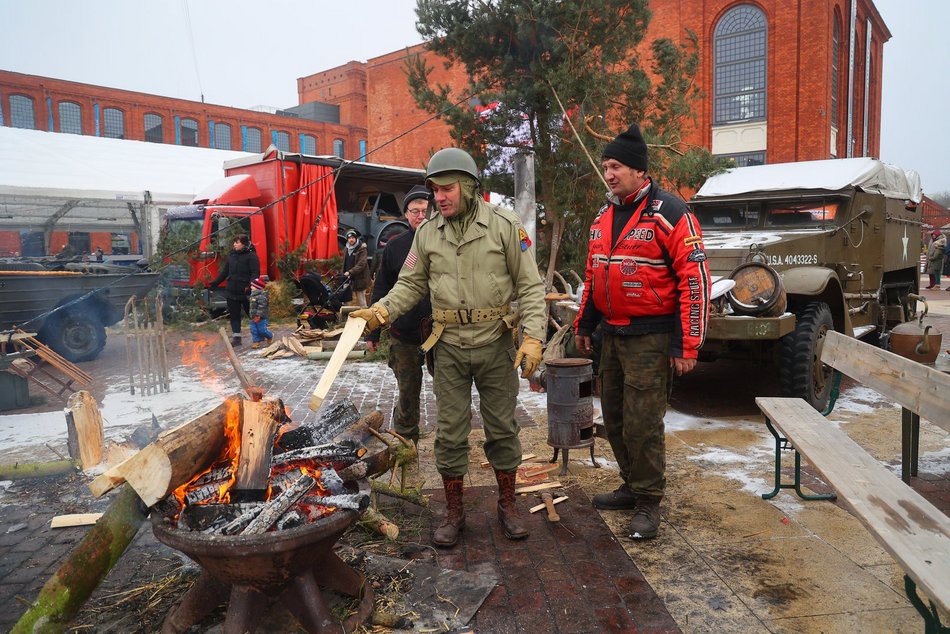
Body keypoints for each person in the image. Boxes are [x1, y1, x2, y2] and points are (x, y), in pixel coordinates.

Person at [352, 147, 546, 547]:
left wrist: (533, 337)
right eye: (435, 189)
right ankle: (454, 512)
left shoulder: (505, 226)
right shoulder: (427, 233)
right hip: (449, 348)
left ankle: (508, 506)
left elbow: (530, 286)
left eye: (447, 188)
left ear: (470, 187)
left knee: (502, 430)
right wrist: (380, 312)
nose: (439, 197)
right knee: (451, 433)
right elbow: (409, 285)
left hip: (495, 344)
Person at [574, 123, 710, 540]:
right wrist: (585, 323)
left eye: (616, 166)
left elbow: (695, 279)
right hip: (612, 336)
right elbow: (594, 275)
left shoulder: (671, 212)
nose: (609, 174)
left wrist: (688, 344)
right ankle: (632, 486)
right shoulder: (603, 215)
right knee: (613, 418)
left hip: (651, 338)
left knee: (643, 423)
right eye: (605, 167)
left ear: (638, 170)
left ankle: (649, 500)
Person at [365, 185, 432, 445]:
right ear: (406, 215)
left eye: (425, 211)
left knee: (449, 391)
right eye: (415, 211)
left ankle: (451, 443)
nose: (420, 216)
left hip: (440, 333)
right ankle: (406, 442)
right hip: (405, 334)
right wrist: (373, 331)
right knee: (408, 391)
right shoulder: (395, 247)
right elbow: (382, 288)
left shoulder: (442, 243)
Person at [209, 234, 260, 346]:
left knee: (252, 314)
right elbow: (225, 272)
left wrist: (251, 286)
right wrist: (215, 282)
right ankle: (237, 338)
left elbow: (255, 273)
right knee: (234, 315)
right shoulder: (232, 255)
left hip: (246, 291)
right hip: (232, 290)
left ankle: (259, 335)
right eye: (234, 242)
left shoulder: (252, 256)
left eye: (237, 242)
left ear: (244, 244)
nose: (234, 244)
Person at [342, 229, 370, 307]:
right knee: (347, 299)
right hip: (347, 278)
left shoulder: (361, 249)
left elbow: (361, 264)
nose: (351, 240)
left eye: (353, 238)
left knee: (361, 301)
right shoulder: (346, 249)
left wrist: (350, 272)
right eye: (349, 238)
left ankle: (364, 316)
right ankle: (347, 316)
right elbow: (344, 263)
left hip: (360, 278)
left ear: (356, 238)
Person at [249, 276, 274, 349]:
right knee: (253, 330)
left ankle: (270, 335)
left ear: (257, 287)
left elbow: (262, 307)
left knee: (262, 330)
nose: (251, 287)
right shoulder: (252, 295)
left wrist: (258, 316)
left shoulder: (261, 296)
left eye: (252, 286)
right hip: (253, 317)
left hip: (261, 318)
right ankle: (256, 342)